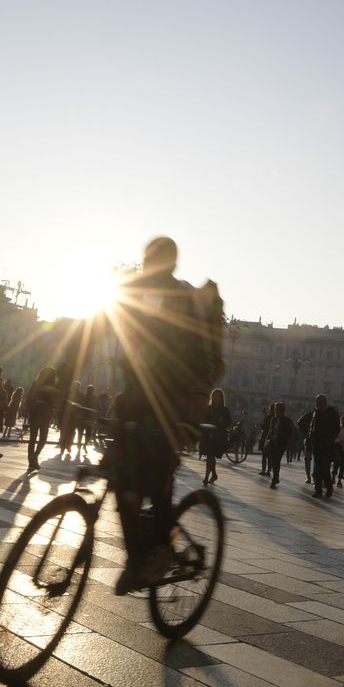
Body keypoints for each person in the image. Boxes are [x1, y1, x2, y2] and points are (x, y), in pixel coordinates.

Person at [107, 236, 223, 592]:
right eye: (147, 259)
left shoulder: (182, 301)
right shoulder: (133, 294)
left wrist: (188, 410)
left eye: (155, 260)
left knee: (153, 480)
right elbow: (104, 327)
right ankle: (140, 557)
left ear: (170, 263)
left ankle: (155, 555)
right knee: (121, 483)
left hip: (174, 404)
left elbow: (194, 360)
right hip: (138, 401)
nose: (149, 266)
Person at [24, 366, 59, 472]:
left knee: (32, 438)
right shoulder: (52, 387)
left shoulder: (36, 384)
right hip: (45, 414)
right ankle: (34, 457)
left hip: (35, 413)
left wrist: (28, 409)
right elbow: (54, 403)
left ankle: (32, 460)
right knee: (43, 438)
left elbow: (29, 397)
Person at [309, 394, 340, 498]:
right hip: (317, 443)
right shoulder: (316, 412)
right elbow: (312, 426)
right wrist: (311, 437)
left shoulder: (333, 413)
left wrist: (329, 440)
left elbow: (336, 429)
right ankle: (318, 490)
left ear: (323, 402)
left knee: (325, 468)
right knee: (317, 467)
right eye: (316, 402)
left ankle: (329, 489)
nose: (316, 404)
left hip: (327, 445)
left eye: (318, 402)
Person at [202, 388, 231, 485]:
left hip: (219, 437)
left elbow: (229, 424)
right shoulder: (208, 408)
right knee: (210, 456)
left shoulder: (225, 410)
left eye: (218, 396)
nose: (216, 397)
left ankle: (208, 476)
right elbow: (203, 420)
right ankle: (211, 475)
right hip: (209, 435)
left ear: (221, 398)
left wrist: (223, 421)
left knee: (211, 456)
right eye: (214, 395)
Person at [265, 401, 295, 488]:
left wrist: (287, 439)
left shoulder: (287, 420)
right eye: (274, 409)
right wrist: (266, 441)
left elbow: (290, 432)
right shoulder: (273, 419)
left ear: (281, 410)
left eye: (276, 409)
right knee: (274, 461)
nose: (274, 410)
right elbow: (270, 431)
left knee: (277, 461)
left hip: (281, 443)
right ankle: (275, 477)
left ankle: (275, 478)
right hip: (272, 442)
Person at [257, 404, 274, 475]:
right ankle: (268, 470)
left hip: (267, 437)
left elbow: (264, 427)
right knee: (268, 455)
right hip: (269, 437)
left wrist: (261, 424)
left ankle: (265, 470)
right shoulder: (273, 417)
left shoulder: (269, 418)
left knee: (265, 455)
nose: (269, 411)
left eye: (270, 409)